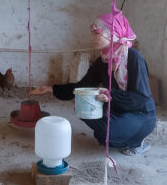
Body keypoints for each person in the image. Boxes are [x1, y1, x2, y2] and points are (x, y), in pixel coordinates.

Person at [31, 12, 156, 156]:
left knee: (106, 133)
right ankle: (119, 133)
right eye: (92, 33)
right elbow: (82, 86)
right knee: (83, 108)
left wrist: (110, 94)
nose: (92, 38)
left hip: (141, 114)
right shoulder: (103, 60)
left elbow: (140, 99)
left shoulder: (134, 58)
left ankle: (137, 142)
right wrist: (51, 89)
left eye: (97, 33)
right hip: (118, 109)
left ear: (113, 33)